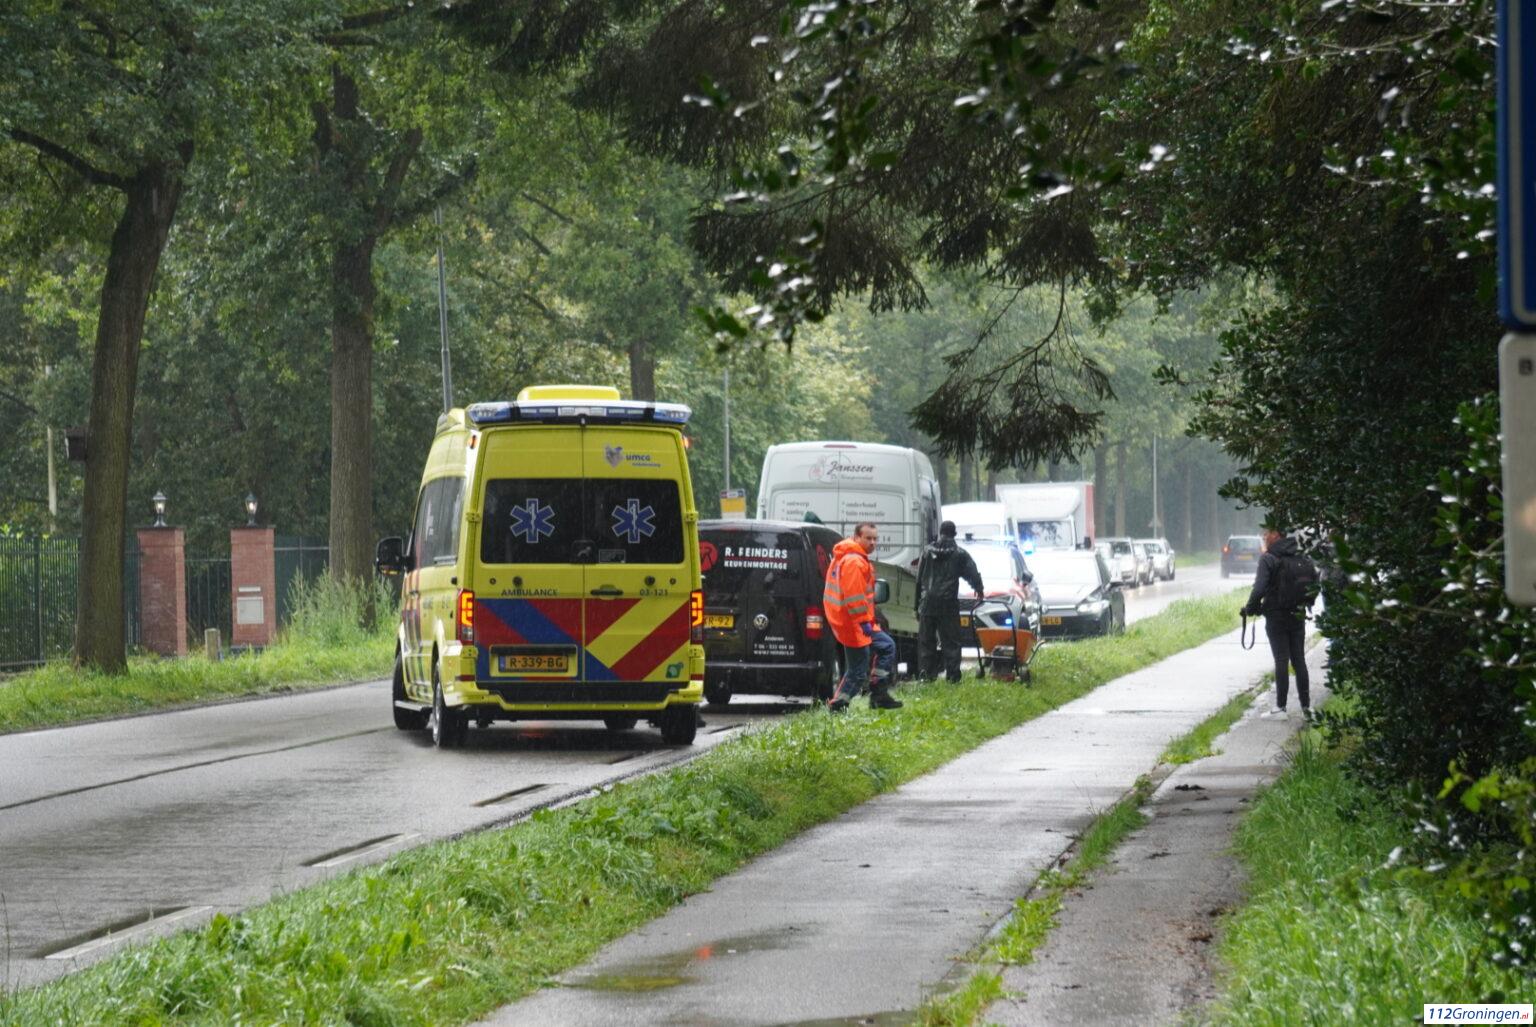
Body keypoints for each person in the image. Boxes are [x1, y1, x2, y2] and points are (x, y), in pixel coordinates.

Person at [1241, 522, 1319, 720]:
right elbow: (1314, 583)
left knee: (1281, 660)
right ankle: (1306, 708)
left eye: (1267, 533)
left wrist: (1250, 608)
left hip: (1276, 616)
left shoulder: (1269, 558)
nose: (1264, 536)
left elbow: (1259, 589)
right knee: (1299, 659)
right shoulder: (1301, 555)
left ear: (1276, 535)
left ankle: (1281, 708)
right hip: (1297, 614)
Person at [823, 522, 901, 711]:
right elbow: (854, 597)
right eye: (868, 538)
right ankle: (842, 704)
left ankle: (875, 695)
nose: (873, 542)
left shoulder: (848, 557)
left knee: (882, 650)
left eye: (875, 538)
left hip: (849, 620)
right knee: (860, 669)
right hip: (853, 622)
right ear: (857, 537)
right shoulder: (854, 562)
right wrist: (864, 622)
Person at [916, 521, 984, 682]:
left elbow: (919, 580)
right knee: (951, 642)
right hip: (948, 603)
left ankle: (926, 676)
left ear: (940, 533)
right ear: (954, 534)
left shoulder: (926, 552)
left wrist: (916, 606)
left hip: (927, 603)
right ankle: (953, 677)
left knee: (926, 641)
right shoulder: (959, 554)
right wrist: (979, 588)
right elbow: (972, 573)